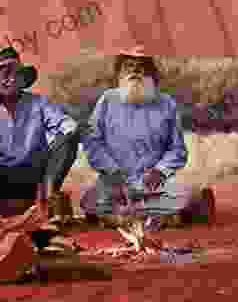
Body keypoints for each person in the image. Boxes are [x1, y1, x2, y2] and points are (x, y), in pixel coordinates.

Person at [80, 45, 215, 230]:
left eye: (140, 66)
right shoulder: (107, 100)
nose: (135, 70)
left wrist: (159, 171)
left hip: (154, 184)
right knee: (90, 199)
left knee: (183, 193)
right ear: (119, 73)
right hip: (116, 182)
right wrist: (112, 171)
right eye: (128, 66)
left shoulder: (167, 103)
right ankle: (156, 217)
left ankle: (122, 218)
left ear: (151, 73)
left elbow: (177, 150)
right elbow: (92, 142)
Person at [0, 46, 82, 230]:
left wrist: (64, 134)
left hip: (34, 175)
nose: (8, 79)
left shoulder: (39, 103)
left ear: (22, 79)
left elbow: (66, 123)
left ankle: (47, 200)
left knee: (69, 139)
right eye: (2, 74)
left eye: (13, 73)